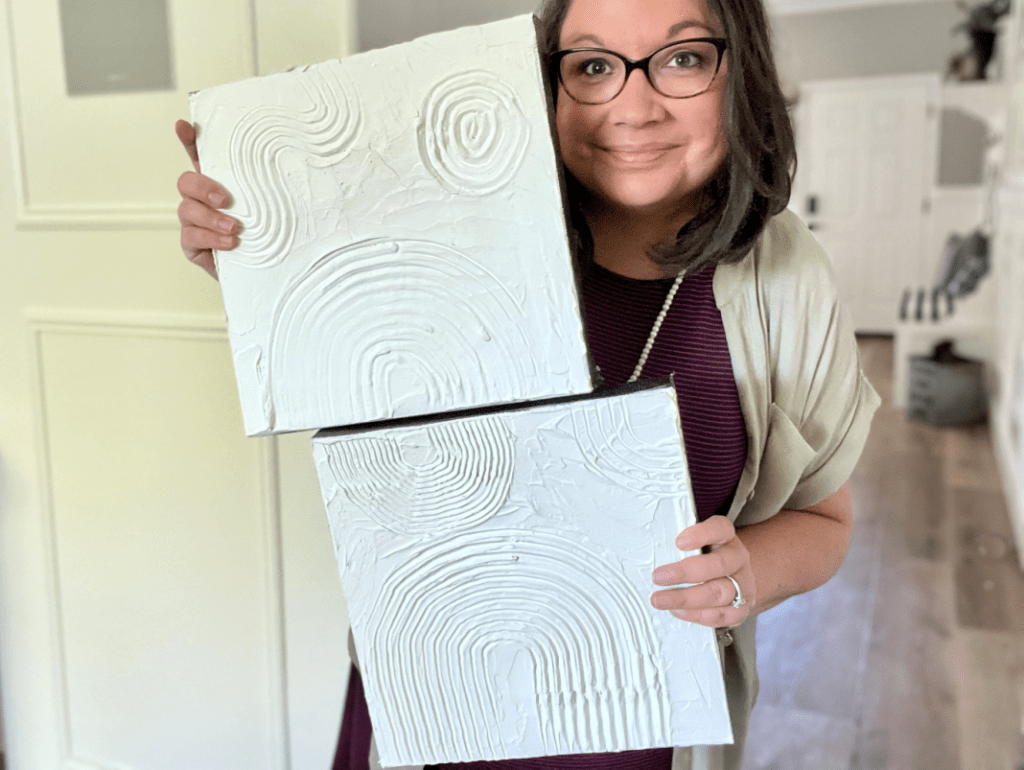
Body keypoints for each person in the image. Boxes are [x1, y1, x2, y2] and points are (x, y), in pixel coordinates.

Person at [175, 0, 880, 768]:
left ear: (737, 71)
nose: (632, 107)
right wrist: (264, 251)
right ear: (548, 83)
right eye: (592, 66)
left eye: (682, 59)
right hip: (430, 707)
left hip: (635, 727)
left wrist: (749, 572)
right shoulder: (445, 223)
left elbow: (826, 522)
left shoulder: (789, 276)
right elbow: (356, 377)